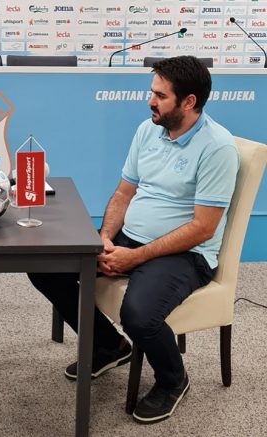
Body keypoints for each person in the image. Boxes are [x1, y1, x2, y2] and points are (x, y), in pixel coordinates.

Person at [28, 56, 239, 424]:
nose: (150, 101)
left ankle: (173, 380)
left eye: (160, 95)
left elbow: (203, 228)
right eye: (152, 92)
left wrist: (135, 257)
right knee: (46, 267)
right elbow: (124, 193)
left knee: (139, 316)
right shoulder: (148, 130)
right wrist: (105, 239)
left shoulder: (217, 147)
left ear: (189, 102)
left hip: (185, 254)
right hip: (129, 239)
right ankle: (109, 347)